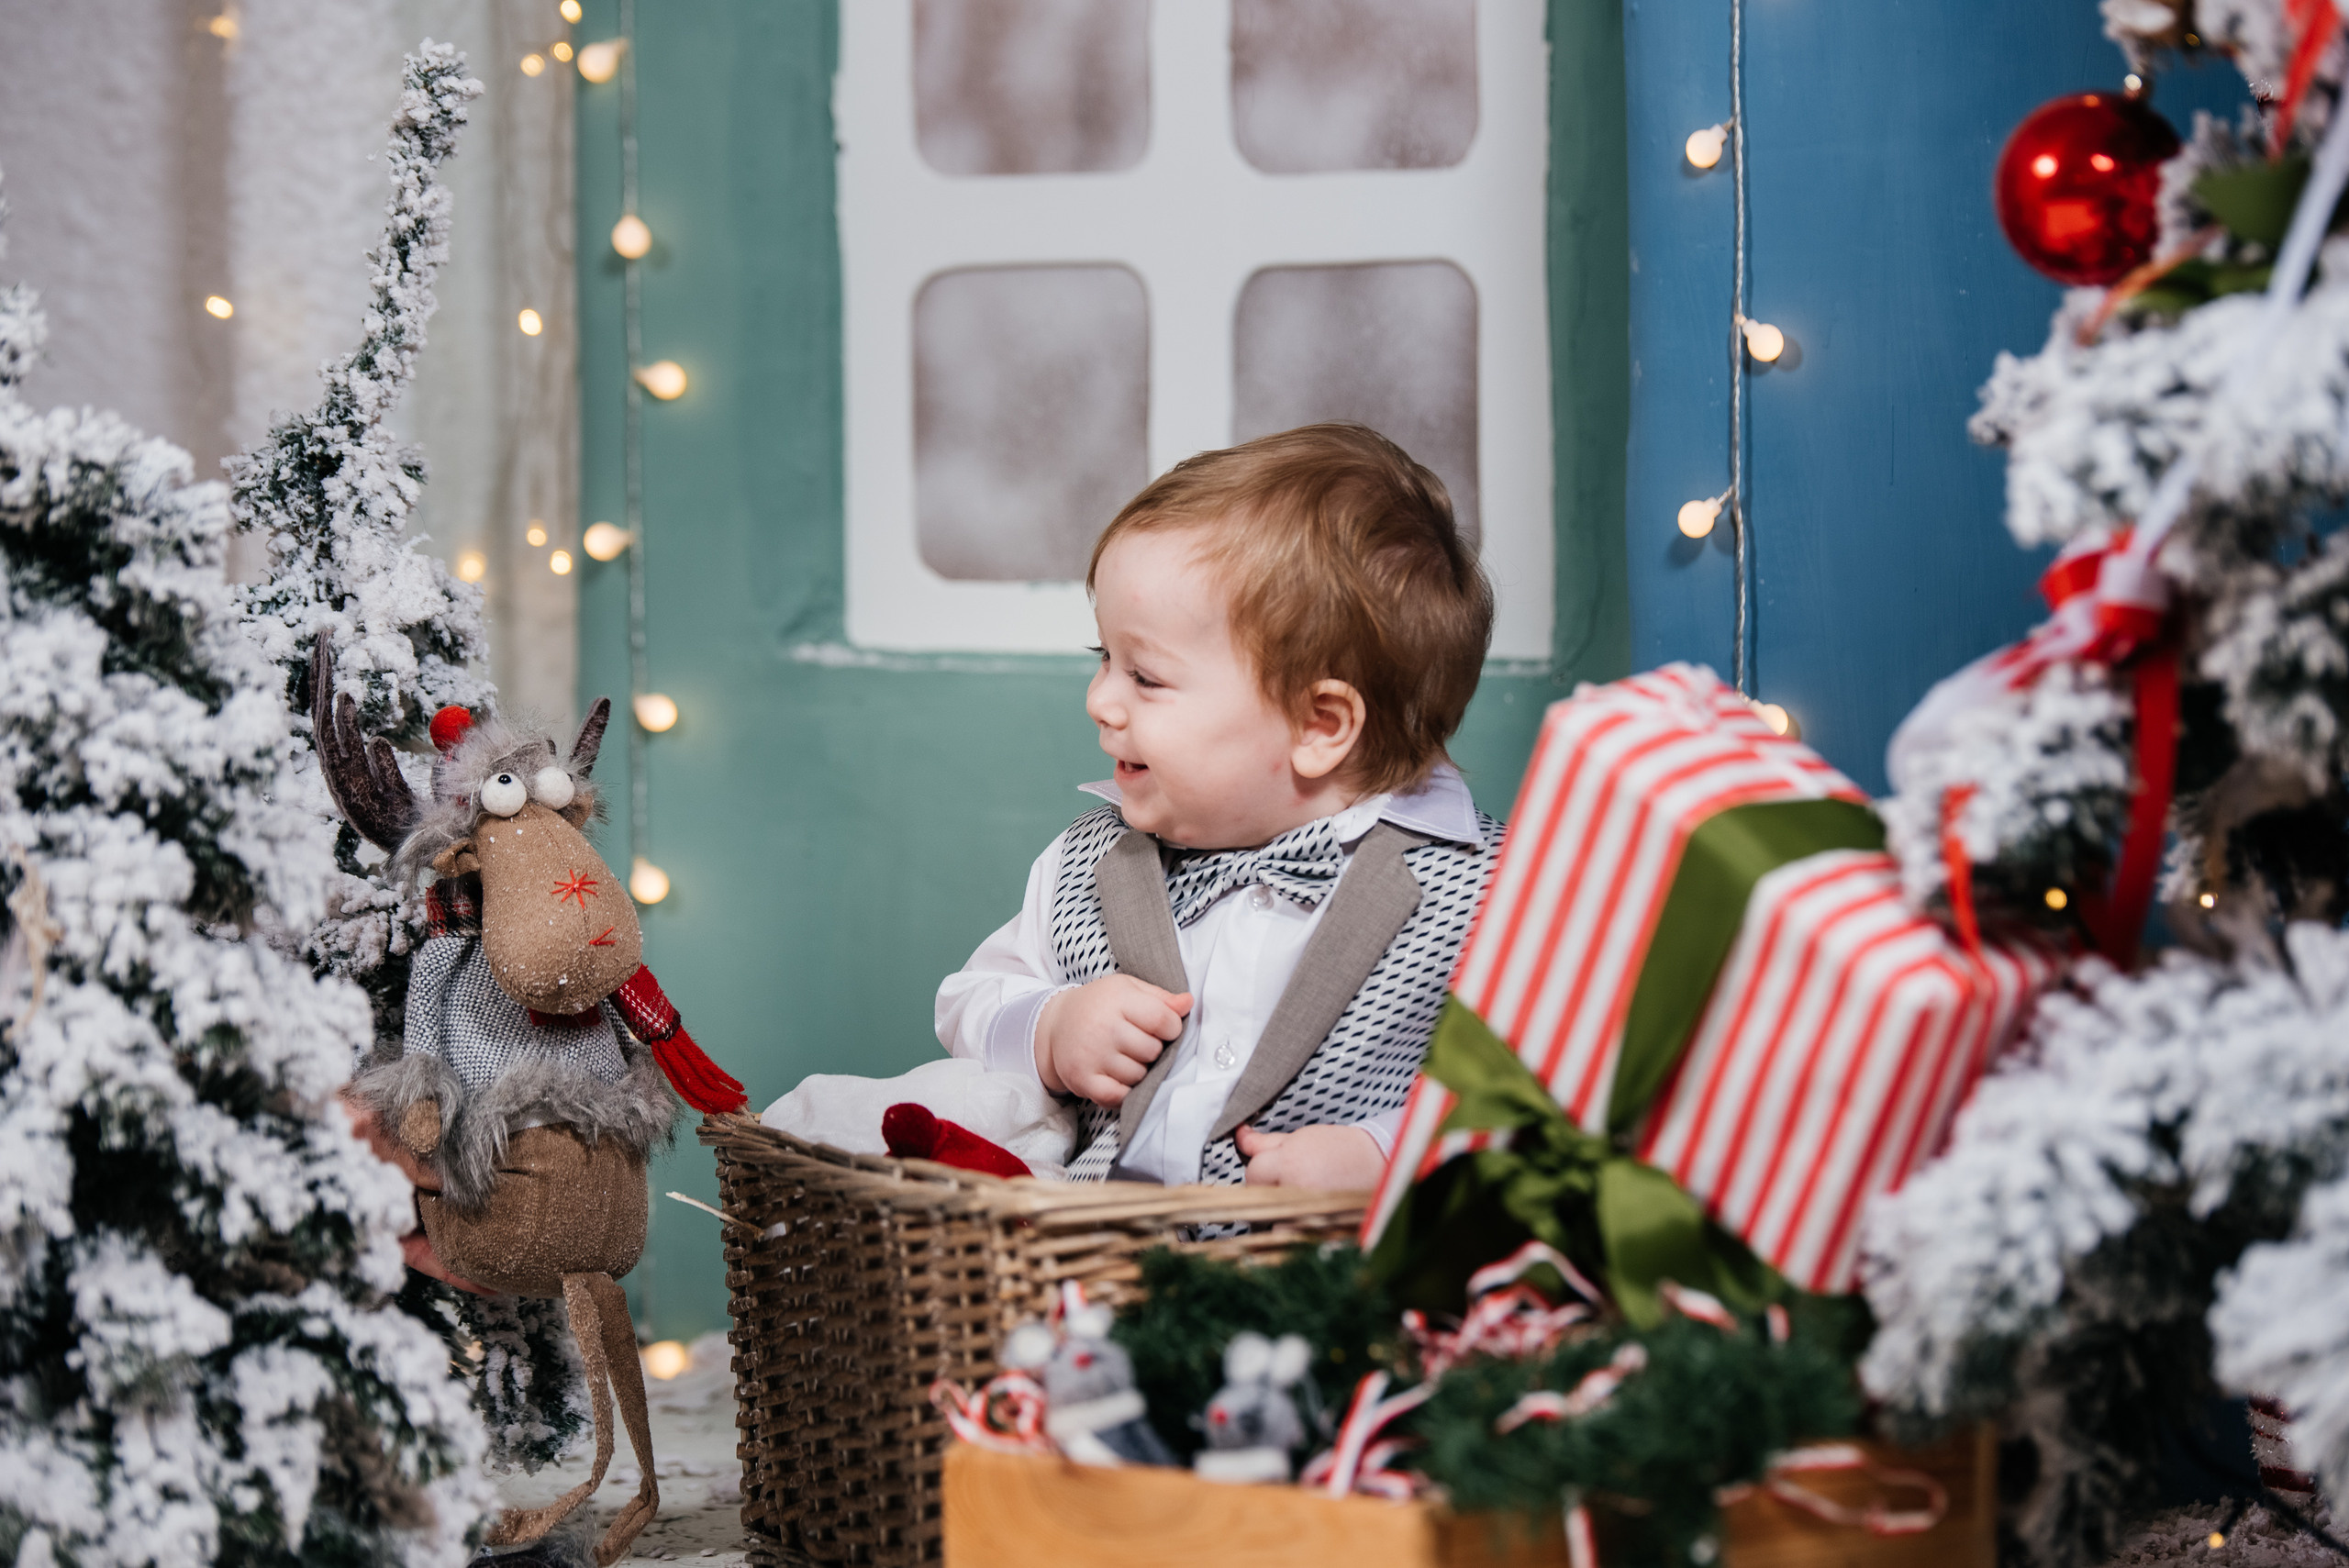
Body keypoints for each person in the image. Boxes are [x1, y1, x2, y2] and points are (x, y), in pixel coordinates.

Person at [935, 423, 1505, 1189]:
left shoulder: (1487, 896)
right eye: (1104, 658)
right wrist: (1049, 1026)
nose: (1100, 700)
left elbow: (1548, 1107)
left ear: (1320, 725)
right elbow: (968, 1003)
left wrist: (1386, 1153)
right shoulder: (1087, 862)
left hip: (1317, 1294)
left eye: (1147, 676)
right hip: (1089, 1277)